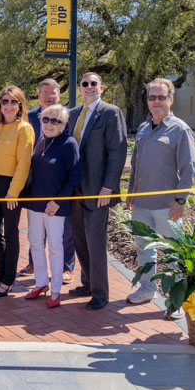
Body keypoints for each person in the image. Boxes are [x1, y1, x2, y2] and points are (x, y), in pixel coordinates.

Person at [126, 78, 195, 311]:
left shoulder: (180, 129)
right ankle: (147, 289)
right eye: (152, 97)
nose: (156, 101)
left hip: (167, 207)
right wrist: (130, 193)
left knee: (174, 254)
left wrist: (180, 201)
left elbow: (189, 168)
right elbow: (135, 163)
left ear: (170, 99)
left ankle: (176, 300)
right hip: (141, 203)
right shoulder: (144, 128)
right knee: (144, 250)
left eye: (161, 97)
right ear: (147, 100)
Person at [67, 72, 126, 310]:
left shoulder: (111, 113)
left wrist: (107, 188)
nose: (89, 87)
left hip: (97, 190)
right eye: (85, 84)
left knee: (95, 242)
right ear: (80, 88)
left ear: (101, 87)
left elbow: (118, 152)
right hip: (75, 190)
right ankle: (87, 283)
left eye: (94, 84)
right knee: (80, 239)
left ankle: (101, 293)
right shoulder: (72, 114)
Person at [22, 104, 81, 309]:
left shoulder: (69, 143)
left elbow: (75, 176)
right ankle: (41, 283)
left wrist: (58, 201)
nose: (49, 124)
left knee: (55, 247)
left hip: (55, 205)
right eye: (46, 119)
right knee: (35, 242)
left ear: (64, 125)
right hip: (35, 203)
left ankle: (56, 290)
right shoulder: (40, 141)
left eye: (55, 121)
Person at [0, 86, 34, 297]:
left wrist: (14, 192)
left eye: (13, 102)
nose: (8, 106)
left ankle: (9, 279)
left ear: (20, 105)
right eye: (4, 102)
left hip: (11, 187)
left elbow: (24, 163)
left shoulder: (24, 128)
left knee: (10, 234)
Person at [24, 78, 75, 284]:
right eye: (44, 93)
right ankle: (34, 264)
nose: (48, 96)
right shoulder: (29, 118)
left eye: (52, 93)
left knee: (63, 231)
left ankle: (67, 266)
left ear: (59, 95)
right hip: (35, 181)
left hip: (59, 182)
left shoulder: (68, 117)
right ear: (38, 95)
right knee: (35, 232)